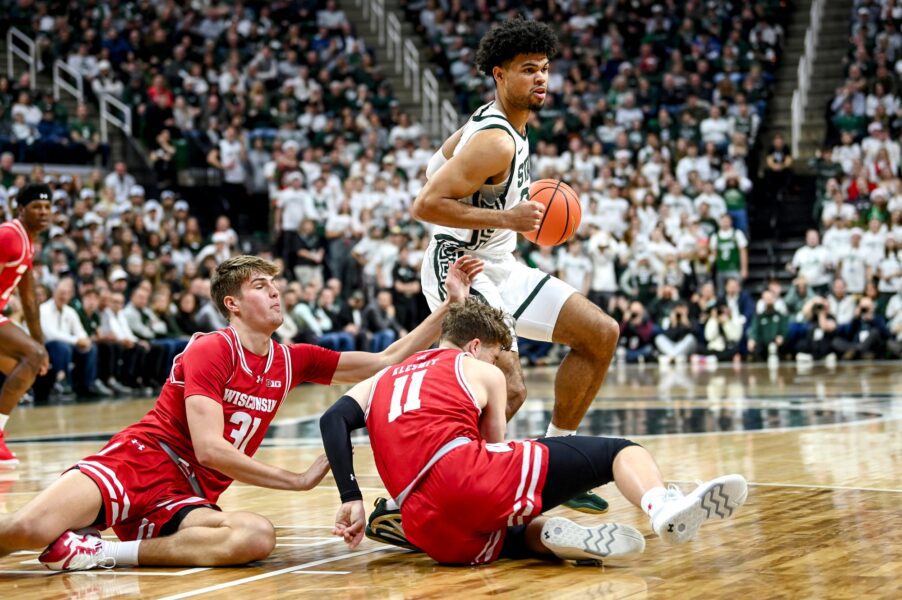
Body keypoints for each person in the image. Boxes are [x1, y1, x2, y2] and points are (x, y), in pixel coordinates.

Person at [0, 254, 483, 571]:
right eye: (260, 286)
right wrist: (293, 480)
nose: (275, 292)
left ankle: (98, 552)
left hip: (184, 495)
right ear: (232, 303)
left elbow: (384, 360)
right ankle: (74, 538)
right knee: (26, 530)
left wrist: (449, 305)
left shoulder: (290, 359)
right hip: (139, 461)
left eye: (275, 284)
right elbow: (210, 449)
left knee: (255, 536)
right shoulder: (212, 349)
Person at [320, 299, 748, 565]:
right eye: (495, 354)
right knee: (619, 451)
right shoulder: (475, 370)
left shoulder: (385, 378)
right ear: (474, 347)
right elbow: (493, 452)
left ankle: (552, 538)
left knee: (515, 533)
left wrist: (351, 497)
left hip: (427, 528)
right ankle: (662, 506)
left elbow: (333, 420)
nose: (496, 363)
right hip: (463, 476)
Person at [411, 17, 619, 516]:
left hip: (501, 262)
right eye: (529, 70)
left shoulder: (499, 124)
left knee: (600, 333)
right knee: (510, 386)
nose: (541, 79)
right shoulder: (495, 139)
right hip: (460, 264)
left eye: (545, 69)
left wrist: (497, 212)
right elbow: (425, 203)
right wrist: (504, 214)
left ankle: (557, 458)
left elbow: (432, 166)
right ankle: (437, 496)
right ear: (500, 74)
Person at [0, 183, 51, 465]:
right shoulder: (9, 235)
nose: (43, 212)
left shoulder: (27, 240)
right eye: (36, 207)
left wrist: (41, 346)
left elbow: (29, 300)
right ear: (21, 209)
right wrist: (37, 350)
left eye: (47, 207)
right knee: (30, 357)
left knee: (26, 363)